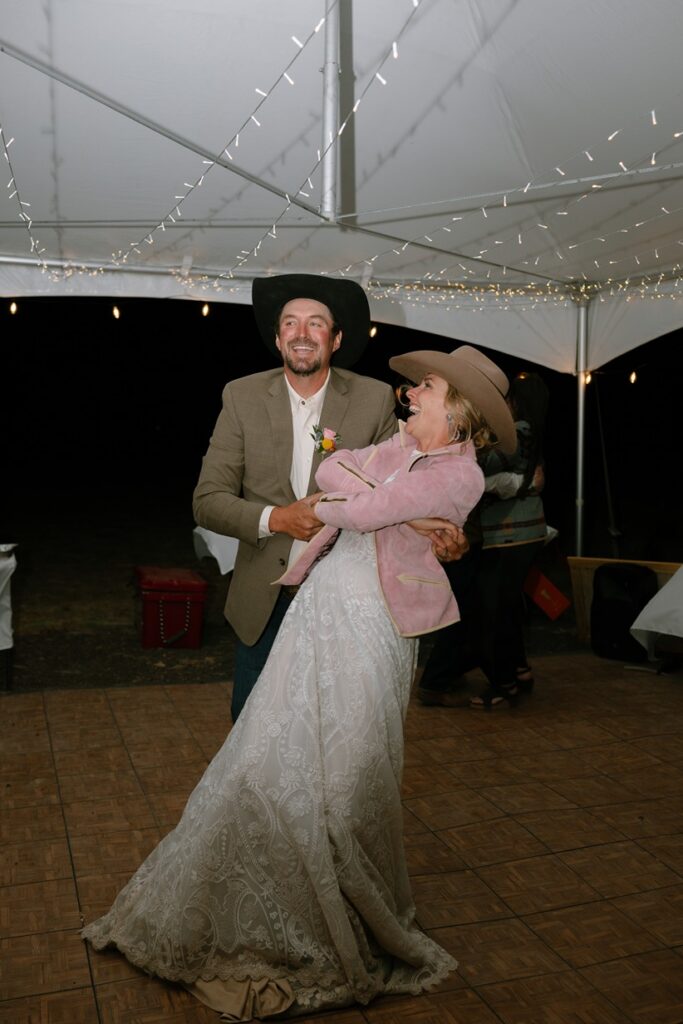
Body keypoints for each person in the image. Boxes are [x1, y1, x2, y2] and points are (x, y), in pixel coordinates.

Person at [81, 345, 516, 1021]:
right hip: (319, 611)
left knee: (345, 782)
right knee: (272, 753)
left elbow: (353, 511)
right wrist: (368, 492)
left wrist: (361, 499)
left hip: (372, 624)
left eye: (424, 388)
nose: (411, 396)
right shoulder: (398, 446)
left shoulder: (460, 476)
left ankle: (346, 911)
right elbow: (329, 467)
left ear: (457, 409)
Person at [192, 274, 465, 722]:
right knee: (252, 732)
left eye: (316, 323)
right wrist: (278, 519)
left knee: (332, 730)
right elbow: (207, 499)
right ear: (278, 339)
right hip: (265, 600)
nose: (302, 334)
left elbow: (398, 494)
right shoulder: (240, 396)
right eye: (290, 324)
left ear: (336, 339)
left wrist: (433, 531)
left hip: (347, 597)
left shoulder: (373, 398)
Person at [469, 370, 550, 708]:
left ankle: (503, 685)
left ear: (517, 401)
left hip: (511, 534)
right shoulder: (533, 431)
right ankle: (519, 670)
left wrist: (465, 449)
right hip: (524, 531)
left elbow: (483, 464)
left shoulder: (517, 432)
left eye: (508, 398)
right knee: (509, 605)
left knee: (495, 610)